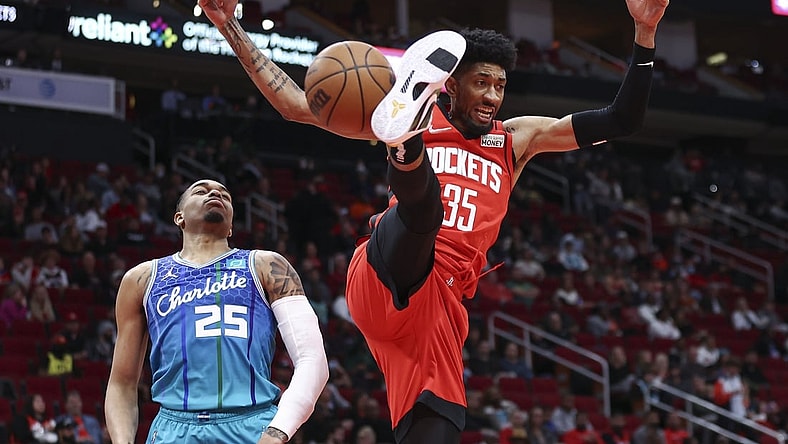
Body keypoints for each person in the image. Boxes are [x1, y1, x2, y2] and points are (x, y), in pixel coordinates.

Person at [199, 0, 667, 440]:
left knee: (439, 425)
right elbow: (293, 104)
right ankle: (406, 143)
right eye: (481, 82)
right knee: (426, 212)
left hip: (438, 307)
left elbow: (620, 120)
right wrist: (229, 25)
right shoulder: (419, 118)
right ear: (452, 85)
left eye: (500, 86)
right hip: (387, 266)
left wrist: (644, 31)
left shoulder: (516, 139)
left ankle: (405, 146)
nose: (492, 96)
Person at [104, 179, 329, 444]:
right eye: (201, 191)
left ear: (231, 225)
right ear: (179, 218)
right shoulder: (142, 279)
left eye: (225, 195)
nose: (214, 193)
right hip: (173, 429)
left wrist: (277, 431)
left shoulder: (267, 265)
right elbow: (122, 384)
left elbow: (312, 359)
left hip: (253, 424)